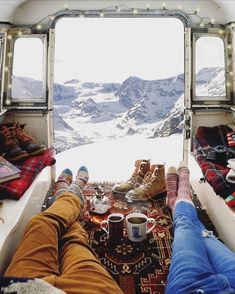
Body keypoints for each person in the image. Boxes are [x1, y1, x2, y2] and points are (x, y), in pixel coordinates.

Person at [2, 166, 123, 294]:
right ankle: (72, 194)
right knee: (75, 240)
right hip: (92, 289)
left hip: (21, 287)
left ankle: (66, 196)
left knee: (41, 223)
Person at [165, 162, 235, 294]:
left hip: (192, 289)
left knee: (185, 224)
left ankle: (180, 198)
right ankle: (177, 200)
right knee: (204, 235)